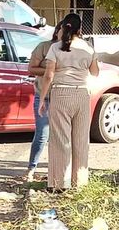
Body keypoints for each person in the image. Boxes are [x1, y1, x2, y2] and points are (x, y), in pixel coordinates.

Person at [39, 13, 99, 191]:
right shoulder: (88, 48)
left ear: (64, 27)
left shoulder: (56, 48)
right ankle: (79, 183)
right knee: (81, 140)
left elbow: (48, 75)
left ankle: (59, 184)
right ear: (80, 29)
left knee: (60, 140)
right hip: (82, 95)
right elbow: (95, 73)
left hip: (61, 93)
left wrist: (42, 98)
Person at [25, 22, 62, 181]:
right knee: (42, 134)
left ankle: (56, 171)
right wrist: (50, 71)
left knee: (60, 137)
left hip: (63, 97)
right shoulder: (44, 47)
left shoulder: (73, 49)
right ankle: (31, 169)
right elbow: (31, 68)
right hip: (44, 96)